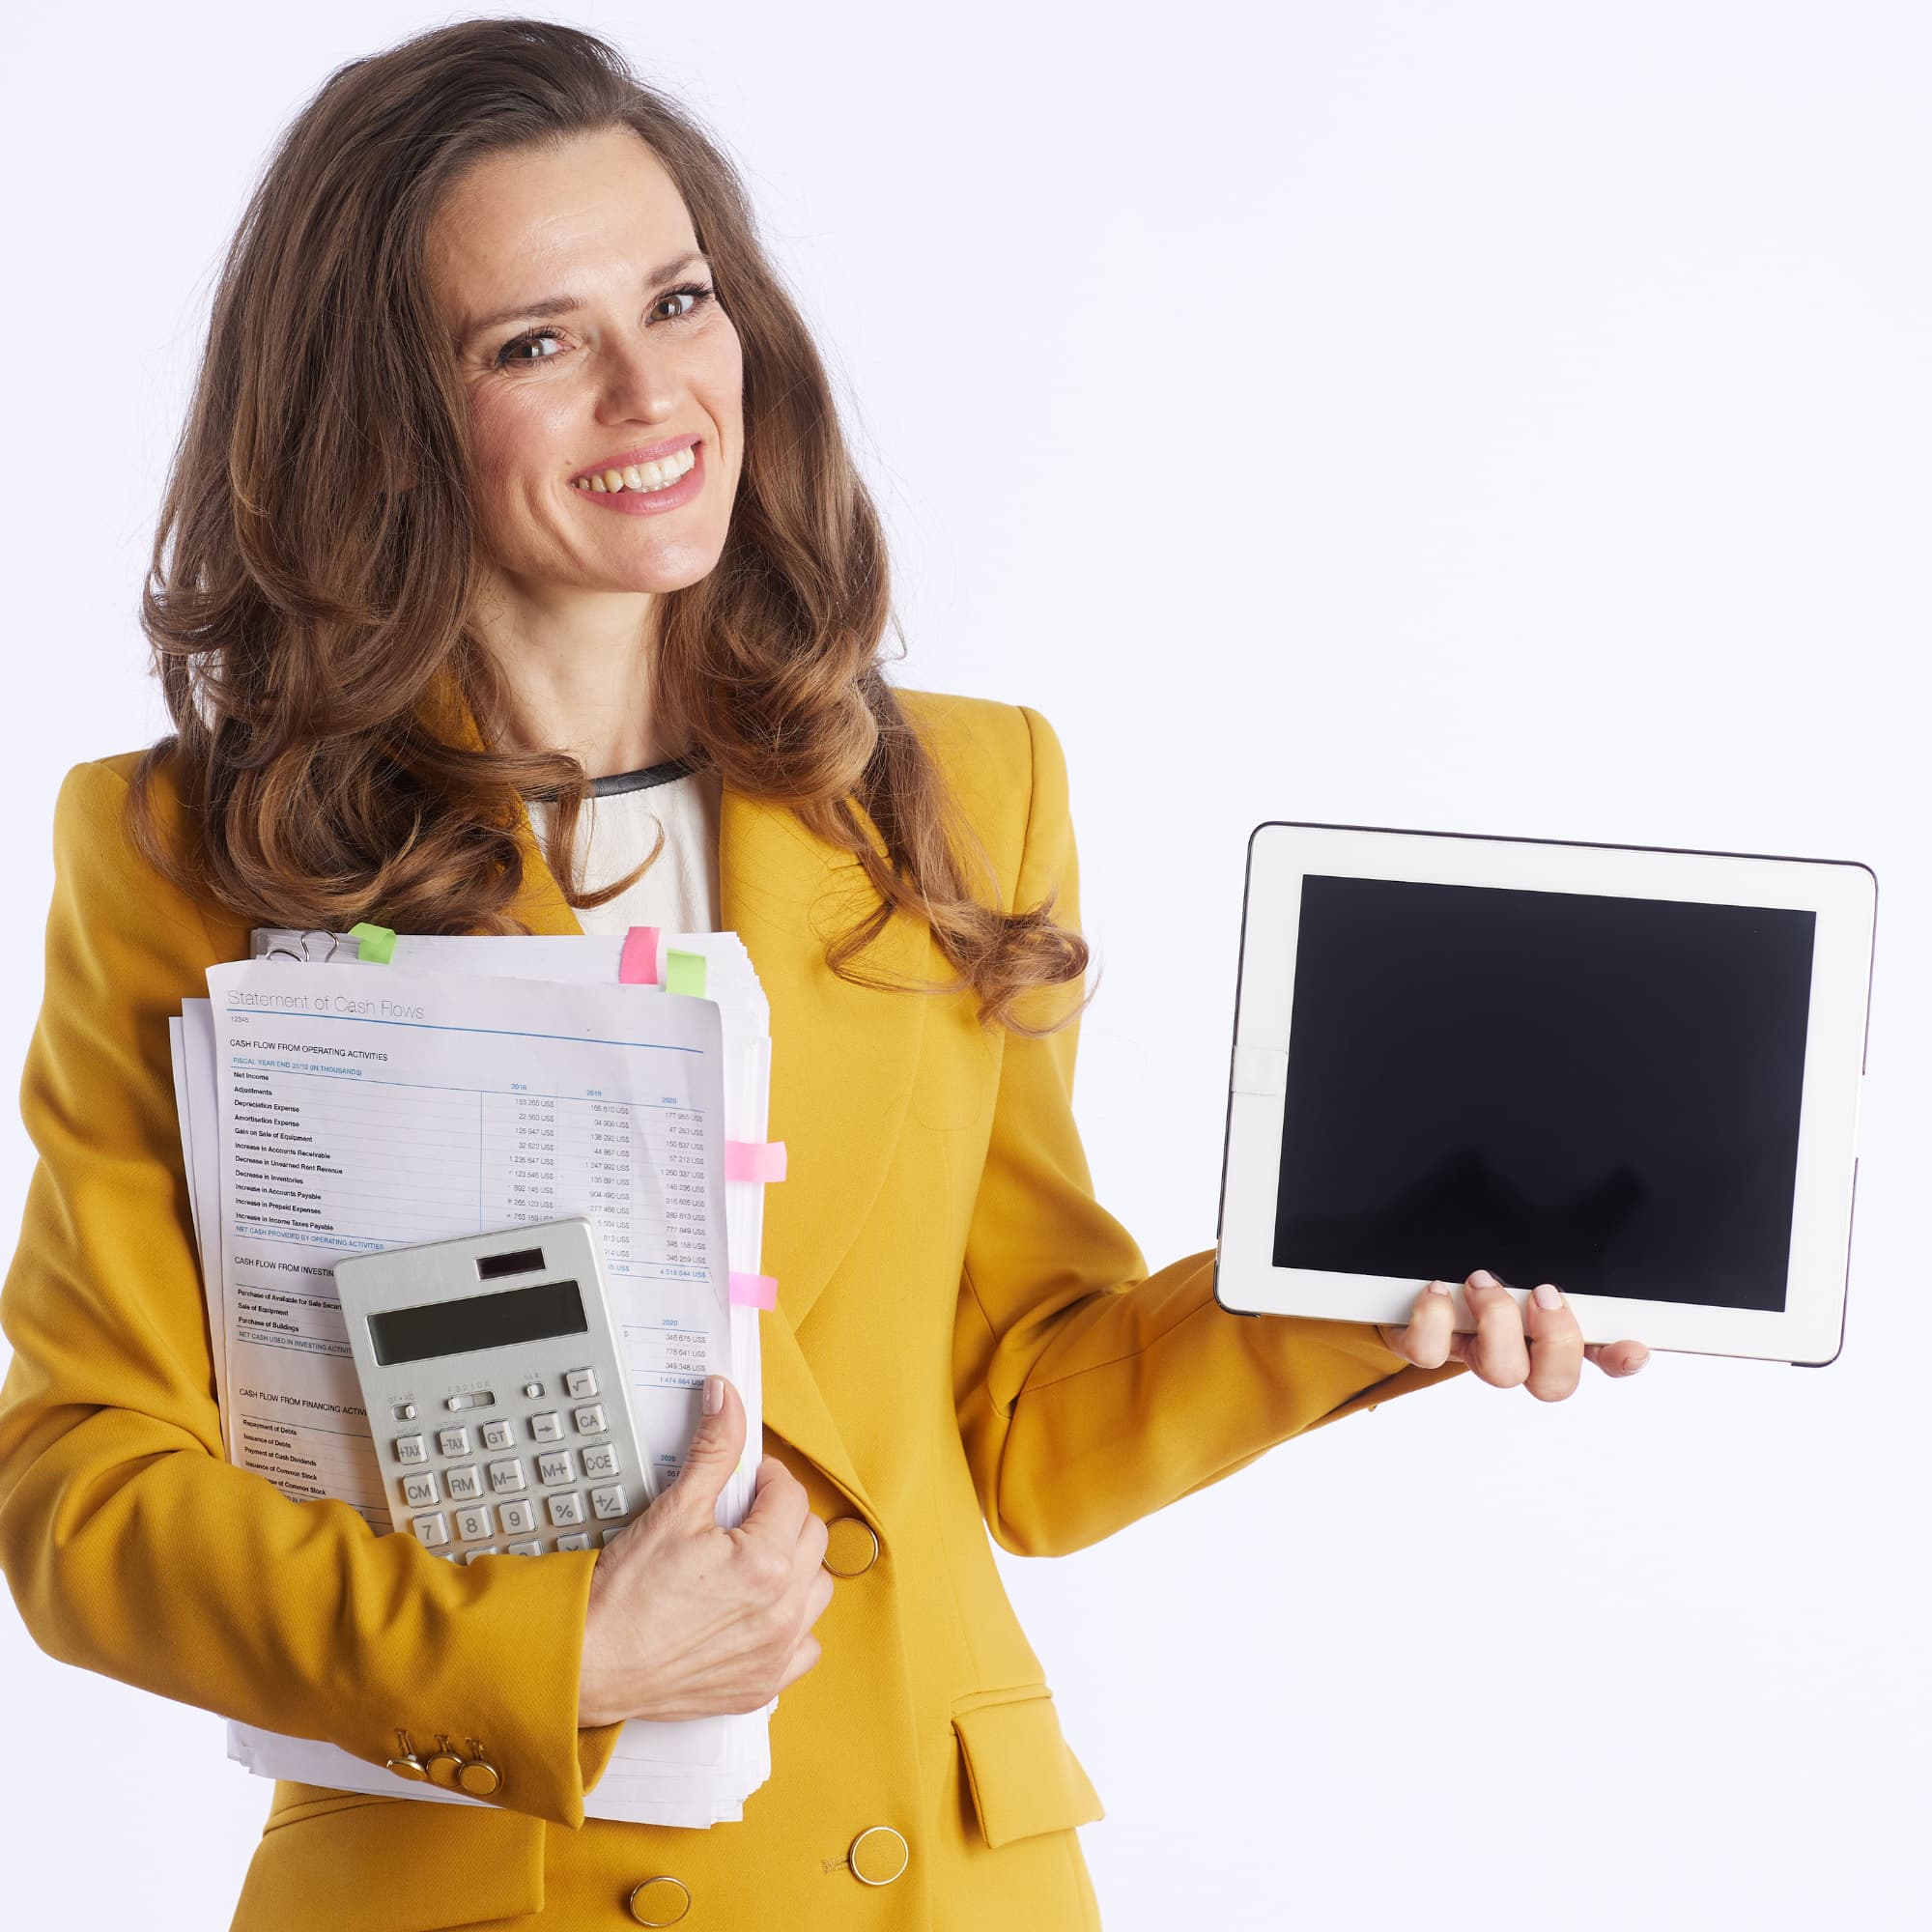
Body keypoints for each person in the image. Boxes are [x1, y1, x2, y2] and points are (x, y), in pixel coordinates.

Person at [0, 18, 1650, 1929]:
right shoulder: (194, 858)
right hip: (485, 1882)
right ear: (384, 419)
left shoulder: (965, 794)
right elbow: (81, 1493)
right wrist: (550, 1654)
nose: (655, 392)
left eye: (679, 299)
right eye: (534, 342)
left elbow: (1022, 1421)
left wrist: (1362, 1304)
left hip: (922, 1874)